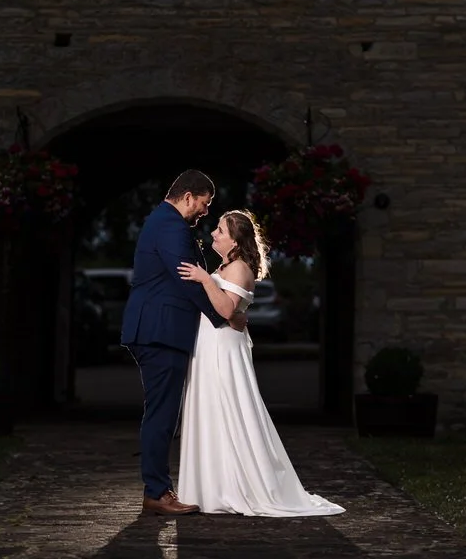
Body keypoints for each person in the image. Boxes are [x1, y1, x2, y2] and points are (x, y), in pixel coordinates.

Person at [176, 210, 345, 517]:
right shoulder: (227, 265)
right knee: (211, 409)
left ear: (235, 241)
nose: (214, 234)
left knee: (229, 409)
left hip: (223, 350)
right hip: (212, 344)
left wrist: (203, 278)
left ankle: (234, 486)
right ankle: (211, 485)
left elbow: (227, 309)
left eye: (220, 230)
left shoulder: (239, 268)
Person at [121, 170, 247, 516]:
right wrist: (223, 315)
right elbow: (185, 280)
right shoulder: (171, 225)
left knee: (162, 413)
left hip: (161, 329)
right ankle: (157, 493)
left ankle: (159, 489)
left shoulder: (166, 223)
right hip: (160, 330)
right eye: (204, 205)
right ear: (188, 197)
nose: (205, 213)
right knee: (161, 415)